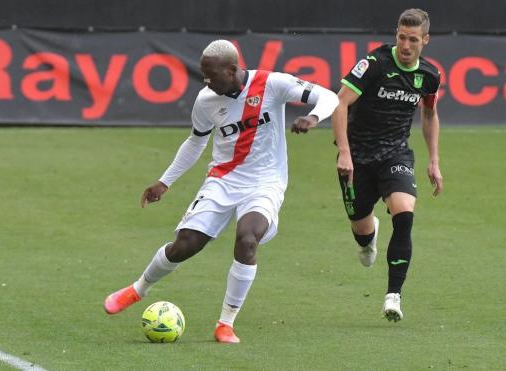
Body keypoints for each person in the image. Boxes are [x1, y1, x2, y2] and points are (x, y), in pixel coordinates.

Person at [104, 39, 339, 343]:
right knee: (185, 244)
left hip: (265, 182)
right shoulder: (206, 100)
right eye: (204, 76)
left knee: (248, 237)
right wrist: (165, 181)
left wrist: (313, 117)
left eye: (212, 76)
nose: (207, 82)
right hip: (223, 179)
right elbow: (195, 141)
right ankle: (138, 289)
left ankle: (225, 322)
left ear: (232, 69)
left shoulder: (273, 84)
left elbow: (328, 96)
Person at [331, 8, 443, 322]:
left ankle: (393, 296)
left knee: (405, 214)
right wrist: (344, 152)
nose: (406, 46)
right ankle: (367, 239)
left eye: (413, 40)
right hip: (358, 159)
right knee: (362, 232)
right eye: (401, 38)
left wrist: (434, 160)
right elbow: (339, 103)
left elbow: (430, 114)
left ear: (425, 40)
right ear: (396, 35)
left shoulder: (430, 75)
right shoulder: (375, 64)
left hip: (395, 155)